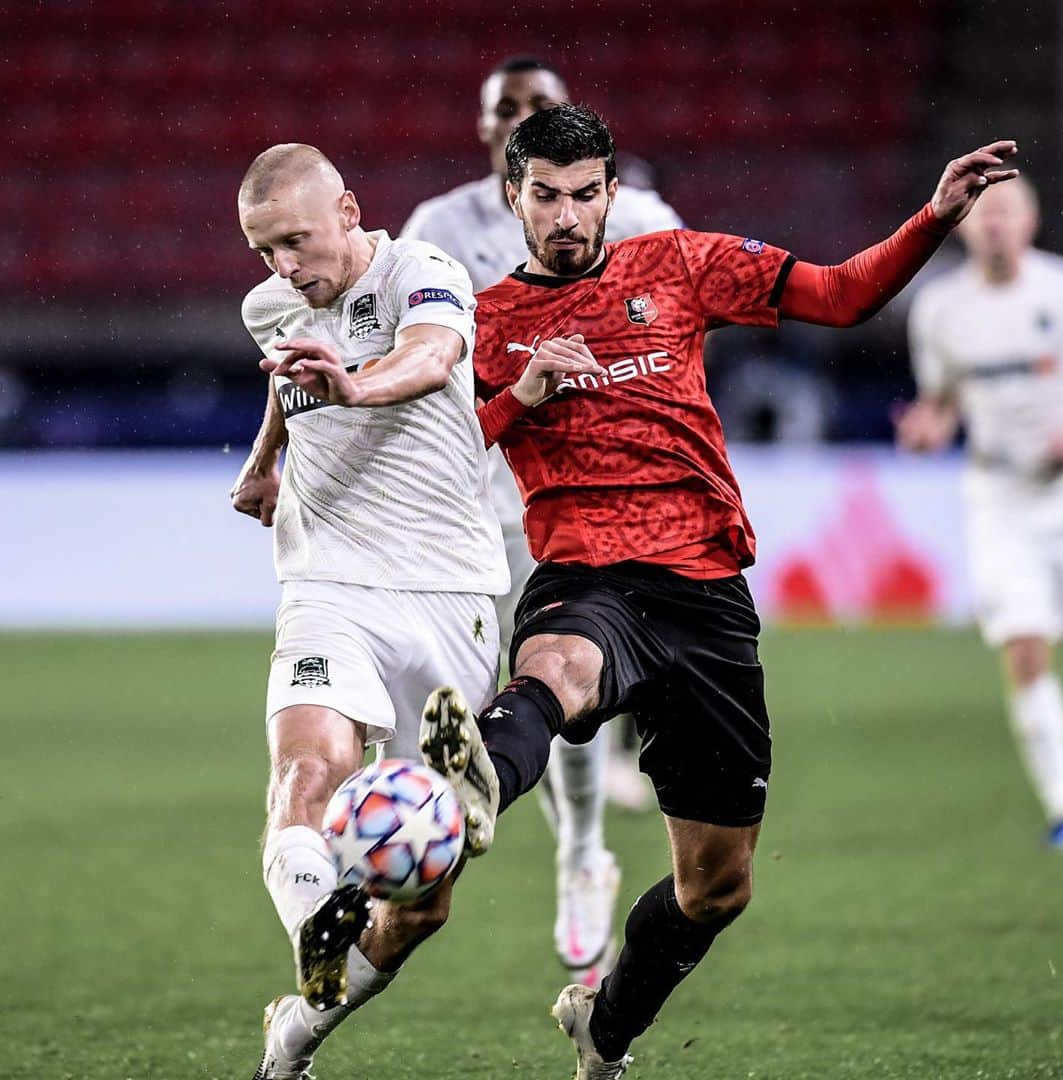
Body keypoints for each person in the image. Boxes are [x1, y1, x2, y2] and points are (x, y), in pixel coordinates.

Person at [277, 105, 1018, 1077]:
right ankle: (474, 788)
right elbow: (442, 463)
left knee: (717, 888)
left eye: (585, 195)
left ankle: (604, 1028)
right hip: (585, 571)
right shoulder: (486, 321)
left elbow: (839, 297)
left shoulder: (676, 264)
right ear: (514, 200)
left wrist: (934, 217)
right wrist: (520, 396)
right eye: (545, 195)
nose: (567, 215)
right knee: (560, 668)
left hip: (706, 593)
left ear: (611, 195)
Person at [230, 142, 509, 1080]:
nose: (284, 269)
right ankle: (315, 923)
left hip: (448, 589)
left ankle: (295, 1034)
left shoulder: (423, 272)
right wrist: (268, 454)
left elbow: (431, 360)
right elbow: (287, 370)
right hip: (329, 582)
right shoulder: (269, 304)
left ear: (348, 211)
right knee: (309, 770)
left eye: (297, 242)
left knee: (421, 904)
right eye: (264, 250)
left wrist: (359, 382)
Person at [400, 55, 680, 989]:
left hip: (572, 500)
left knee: (557, 678)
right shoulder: (440, 229)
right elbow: (408, 352)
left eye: (539, 105)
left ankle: (580, 852)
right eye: (505, 109)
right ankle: (404, 837)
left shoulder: (632, 215)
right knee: (466, 690)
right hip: (469, 496)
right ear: (488, 129)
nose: (519, 116)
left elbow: (686, 307)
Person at [896, 176, 1063, 851]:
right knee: (1025, 645)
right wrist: (927, 428)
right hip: (999, 497)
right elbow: (942, 402)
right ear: (966, 225)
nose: (995, 224)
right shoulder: (941, 308)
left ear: (1031, 219)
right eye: (983, 213)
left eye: (1007, 211)